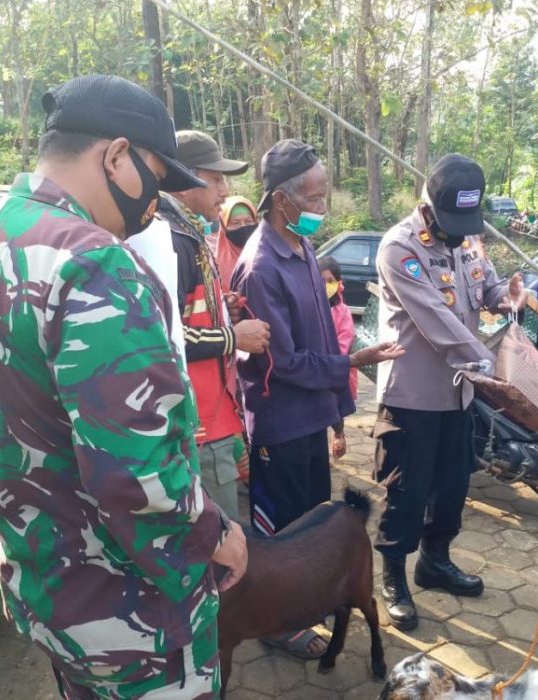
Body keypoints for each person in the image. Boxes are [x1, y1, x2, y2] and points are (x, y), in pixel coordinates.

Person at [0, 75, 247, 699]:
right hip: (133, 615)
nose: (154, 206)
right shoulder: (96, 262)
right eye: (156, 183)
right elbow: (136, 475)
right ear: (115, 156)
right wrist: (215, 535)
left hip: (48, 587)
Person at [232, 138, 402, 658]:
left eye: (326, 195)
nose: (323, 208)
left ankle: (308, 603)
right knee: (281, 534)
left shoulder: (303, 250)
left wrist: (335, 413)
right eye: (315, 198)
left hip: (310, 417)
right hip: (280, 425)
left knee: (311, 523)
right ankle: (275, 624)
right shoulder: (260, 265)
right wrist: (351, 364)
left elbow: (323, 337)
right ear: (282, 201)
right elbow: (281, 361)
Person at [373, 153, 527, 630]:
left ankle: (435, 562)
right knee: (406, 491)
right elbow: (435, 321)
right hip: (412, 397)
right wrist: (488, 363)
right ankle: (394, 574)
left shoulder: (466, 240)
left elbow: (485, 288)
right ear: (428, 204)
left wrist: (507, 297)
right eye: (452, 221)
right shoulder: (400, 248)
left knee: (453, 487)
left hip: (459, 393)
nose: (460, 232)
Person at [157, 130, 270, 518]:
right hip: (198, 426)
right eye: (217, 178)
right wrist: (231, 336)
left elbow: (185, 312)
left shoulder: (185, 229)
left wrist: (222, 309)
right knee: (222, 548)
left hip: (214, 416)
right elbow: (162, 334)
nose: (225, 189)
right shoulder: (168, 237)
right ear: (186, 178)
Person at [318, 255, 357, 459]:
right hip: (315, 368)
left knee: (336, 407)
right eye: (321, 281)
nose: (326, 285)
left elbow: (345, 340)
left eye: (330, 281)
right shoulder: (309, 307)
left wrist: (330, 362)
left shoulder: (342, 311)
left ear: (338, 282)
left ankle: (339, 433)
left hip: (336, 369)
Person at [216, 196, 259, 291]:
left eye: (248, 221)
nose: (243, 227)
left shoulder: (268, 254)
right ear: (224, 227)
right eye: (235, 223)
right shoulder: (216, 266)